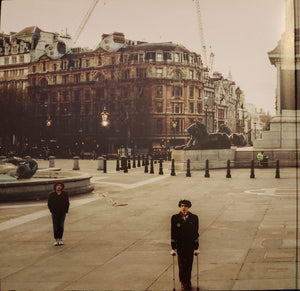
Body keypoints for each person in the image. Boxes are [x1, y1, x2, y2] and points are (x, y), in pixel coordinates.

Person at [171, 199, 199, 290]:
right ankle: (183, 282)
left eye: (185, 206)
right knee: (182, 265)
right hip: (180, 245)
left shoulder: (194, 217)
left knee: (189, 265)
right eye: (182, 206)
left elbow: (195, 233)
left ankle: (188, 281)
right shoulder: (175, 218)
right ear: (180, 206)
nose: (184, 208)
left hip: (190, 245)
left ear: (188, 207)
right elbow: (173, 232)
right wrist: (173, 247)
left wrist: (196, 247)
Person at [47, 182, 69, 246]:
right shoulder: (52, 194)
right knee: (55, 226)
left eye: (60, 186)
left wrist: (66, 210)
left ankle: (60, 239)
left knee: (61, 226)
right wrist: (51, 210)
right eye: (57, 186)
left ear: (62, 187)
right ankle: (56, 239)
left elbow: (67, 202)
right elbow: (49, 203)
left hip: (62, 212)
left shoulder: (65, 194)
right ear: (55, 187)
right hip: (55, 212)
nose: (59, 187)